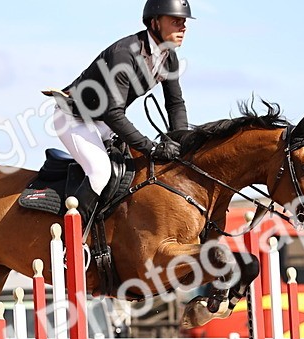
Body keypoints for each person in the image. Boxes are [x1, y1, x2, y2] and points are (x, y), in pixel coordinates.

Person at [46, 0, 194, 212]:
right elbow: (113, 113)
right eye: (176, 21)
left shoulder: (169, 58)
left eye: (184, 22)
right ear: (155, 23)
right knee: (100, 172)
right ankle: (74, 240)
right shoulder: (124, 54)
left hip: (103, 122)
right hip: (74, 119)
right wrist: (151, 147)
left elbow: (175, 104)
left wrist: (184, 144)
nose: (183, 28)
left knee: (132, 170)